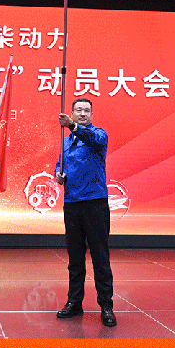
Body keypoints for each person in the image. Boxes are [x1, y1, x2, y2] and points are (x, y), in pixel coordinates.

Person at [54, 98, 116, 327]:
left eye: (86, 110)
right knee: (75, 257)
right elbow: (60, 164)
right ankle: (74, 302)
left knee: (100, 256)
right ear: (72, 112)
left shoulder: (98, 135)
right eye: (78, 110)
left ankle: (106, 305)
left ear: (91, 115)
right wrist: (58, 175)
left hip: (95, 203)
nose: (82, 113)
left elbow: (92, 139)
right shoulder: (66, 141)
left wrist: (72, 126)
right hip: (72, 203)